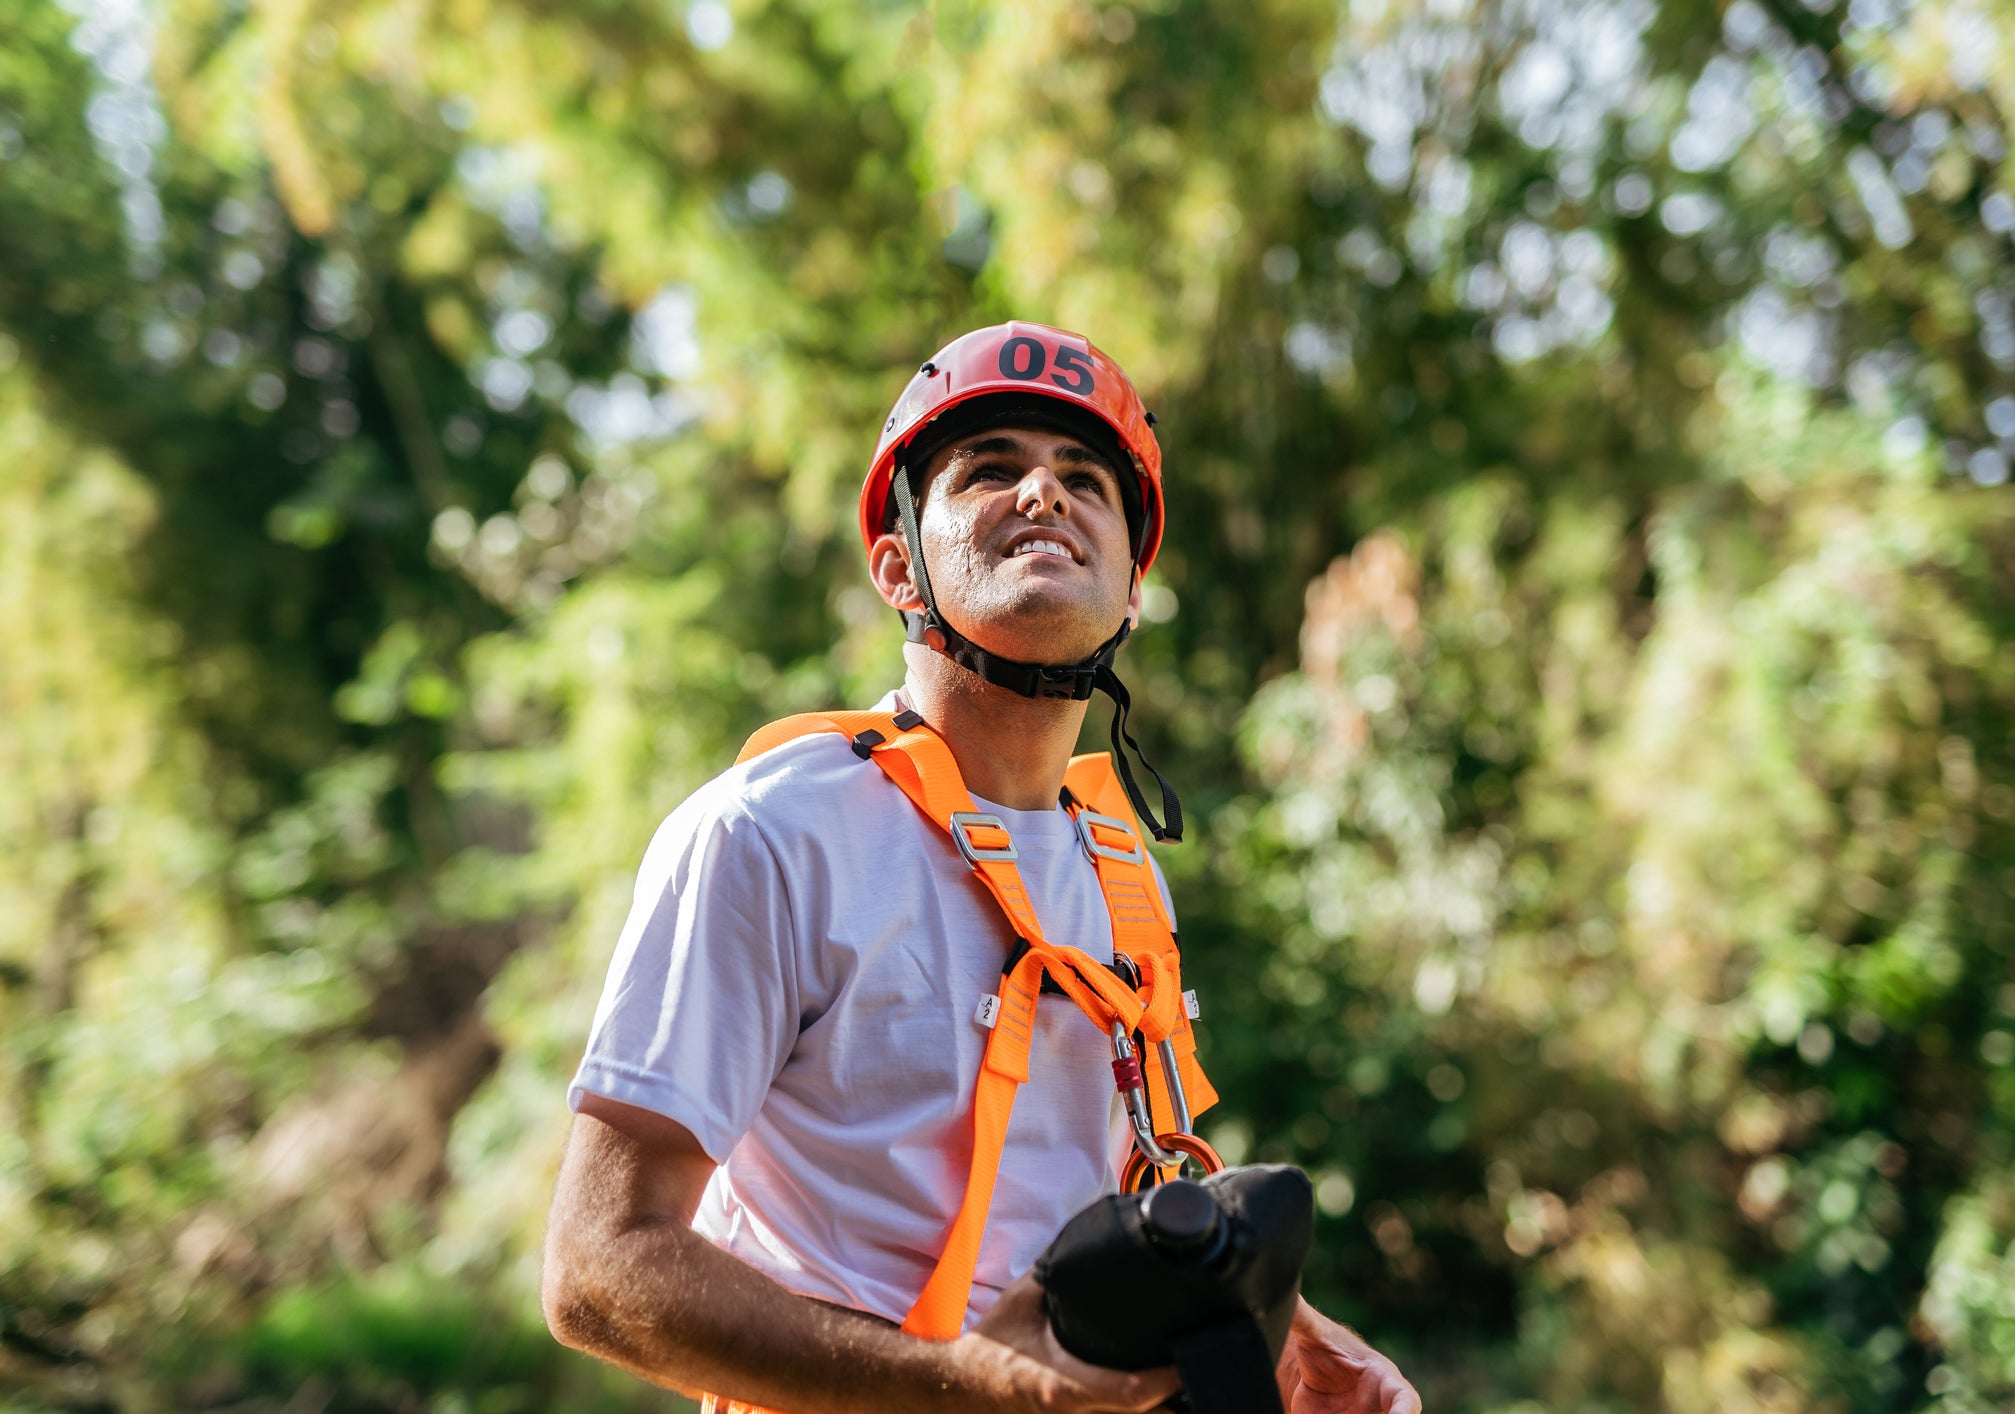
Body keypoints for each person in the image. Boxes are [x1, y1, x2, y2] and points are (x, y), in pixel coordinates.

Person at [541, 322, 1419, 1414]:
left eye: (1084, 478)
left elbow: (1094, 1196)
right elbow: (596, 1268)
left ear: (1133, 588)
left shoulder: (1119, 861)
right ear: (898, 564)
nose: (1044, 495)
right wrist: (960, 1385)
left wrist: (1295, 1337)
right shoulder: (769, 834)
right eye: (989, 470)